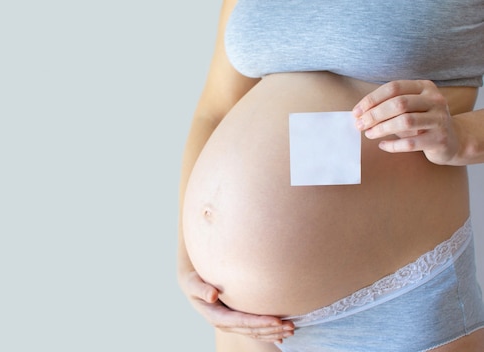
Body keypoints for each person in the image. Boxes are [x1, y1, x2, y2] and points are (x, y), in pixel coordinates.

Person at [177, 1, 484, 351]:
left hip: (397, 303)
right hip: (241, 318)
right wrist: (186, 261)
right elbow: (214, 112)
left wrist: (464, 137)